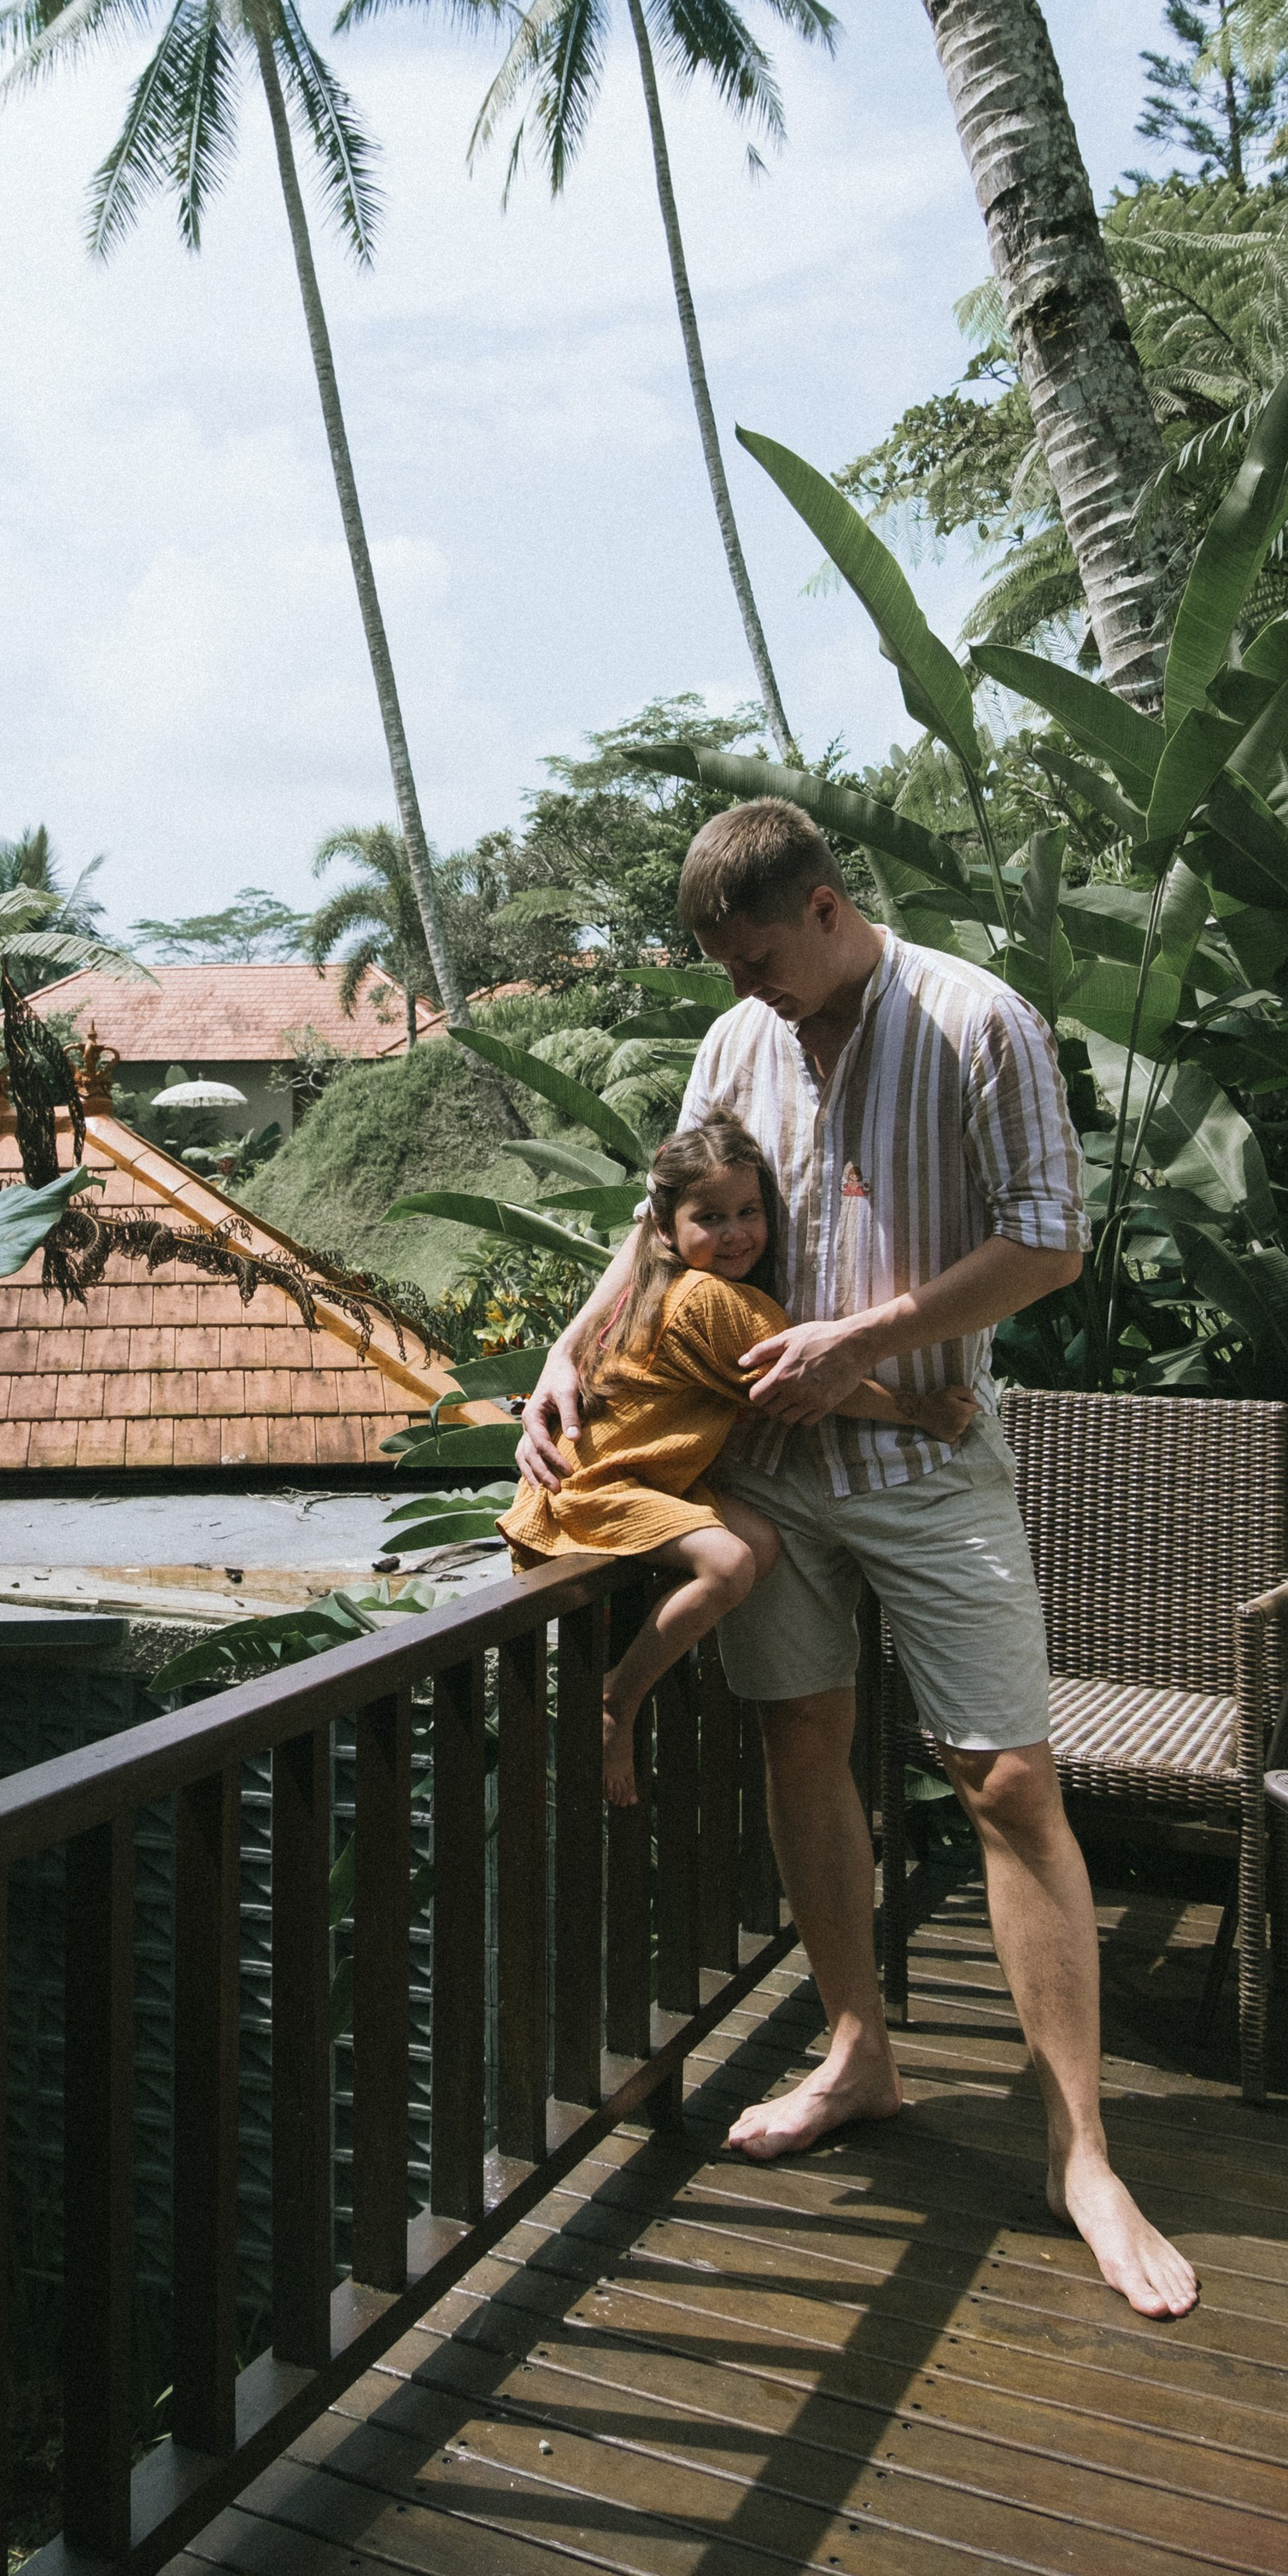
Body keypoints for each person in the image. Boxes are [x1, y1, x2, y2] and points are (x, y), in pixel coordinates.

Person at [516, 799, 1199, 2321]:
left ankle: (1081, 2153)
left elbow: (1050, 1241)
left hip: (925, 1458)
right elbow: (656, 1229)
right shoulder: (737, 1044)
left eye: (756, 955)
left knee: (1009, 1778)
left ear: (824, 907)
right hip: (766, 1476)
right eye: (725, 965)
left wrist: (862, 1344)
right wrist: (567, 1358)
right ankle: (858, 2049)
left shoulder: (979, 1020)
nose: (742, 987)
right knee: (803, 1738)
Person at [501, 1114, 974, 1804]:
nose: (735, 1233)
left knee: (758, 1539)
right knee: (730, 1564)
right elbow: (814, 1380)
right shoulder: (712, 1300)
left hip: (614, 1477)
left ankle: (638, 1653)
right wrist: (920, 1411)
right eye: (710, 1217)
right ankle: (618, 1698)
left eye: (750, 1212)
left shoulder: (656, 1282)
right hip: (599, 1485)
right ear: (664, 1228)